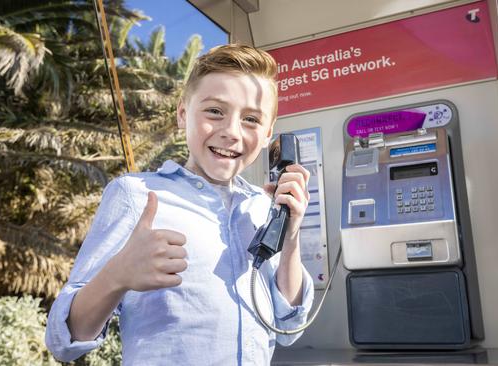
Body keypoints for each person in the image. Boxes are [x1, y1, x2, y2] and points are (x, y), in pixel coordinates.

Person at [45, 44, 314, 365]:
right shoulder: (136, 195)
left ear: (269, 133)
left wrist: (291, 231)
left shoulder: (262, 205)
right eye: (215, 111)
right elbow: (63, 340)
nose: (231, 132)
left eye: (251, 119)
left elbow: (289, 326)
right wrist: (116, 276)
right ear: (183, 113)